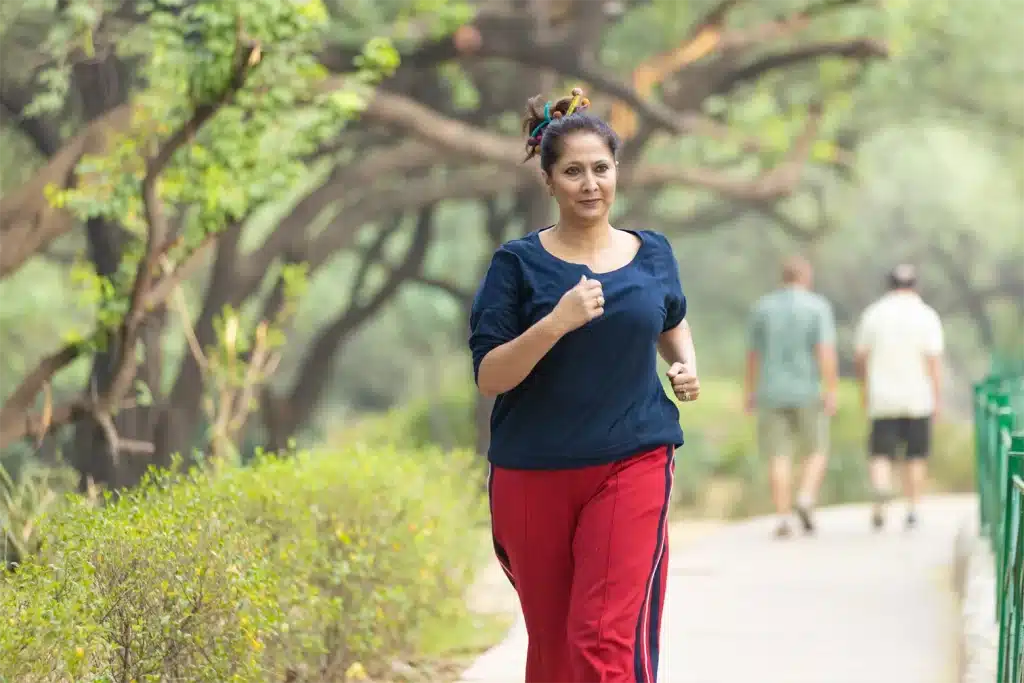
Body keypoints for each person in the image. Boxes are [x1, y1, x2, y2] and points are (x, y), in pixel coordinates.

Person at [468, 87, 700, 683]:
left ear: (617, 171)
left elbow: (671, 321)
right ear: (548, 180)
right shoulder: (516, 266)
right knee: (553, 655)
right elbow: (490, 375)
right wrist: (554, 323)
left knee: (600, 644)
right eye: (573, 171)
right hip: (532, 474)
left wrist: (683, 366)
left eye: (601, 168)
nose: (590, 183)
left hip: (632, 461)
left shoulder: (652, 254)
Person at [743, 256, 838, 538]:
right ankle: (806, 496)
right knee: (817, 450)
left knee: (778, 456)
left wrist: (750, 391)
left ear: (782, 277)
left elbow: (753, 355)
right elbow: (825, 351)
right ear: (806, 277)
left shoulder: (763, 308)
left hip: (770, 391)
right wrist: (830, 388)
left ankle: (783, 517)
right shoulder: (817, 307)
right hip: (808, 389)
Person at [854, 263, 943, 530]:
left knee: (881, 452)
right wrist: (937, 396)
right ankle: (913, 507)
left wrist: (864, 386)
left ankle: (882, 489)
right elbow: (934, 361)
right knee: (915, 454)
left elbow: (861, 356)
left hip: (882, 395)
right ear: (915, 285)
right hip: (917, 395)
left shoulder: (874, 314)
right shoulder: (926, 315)